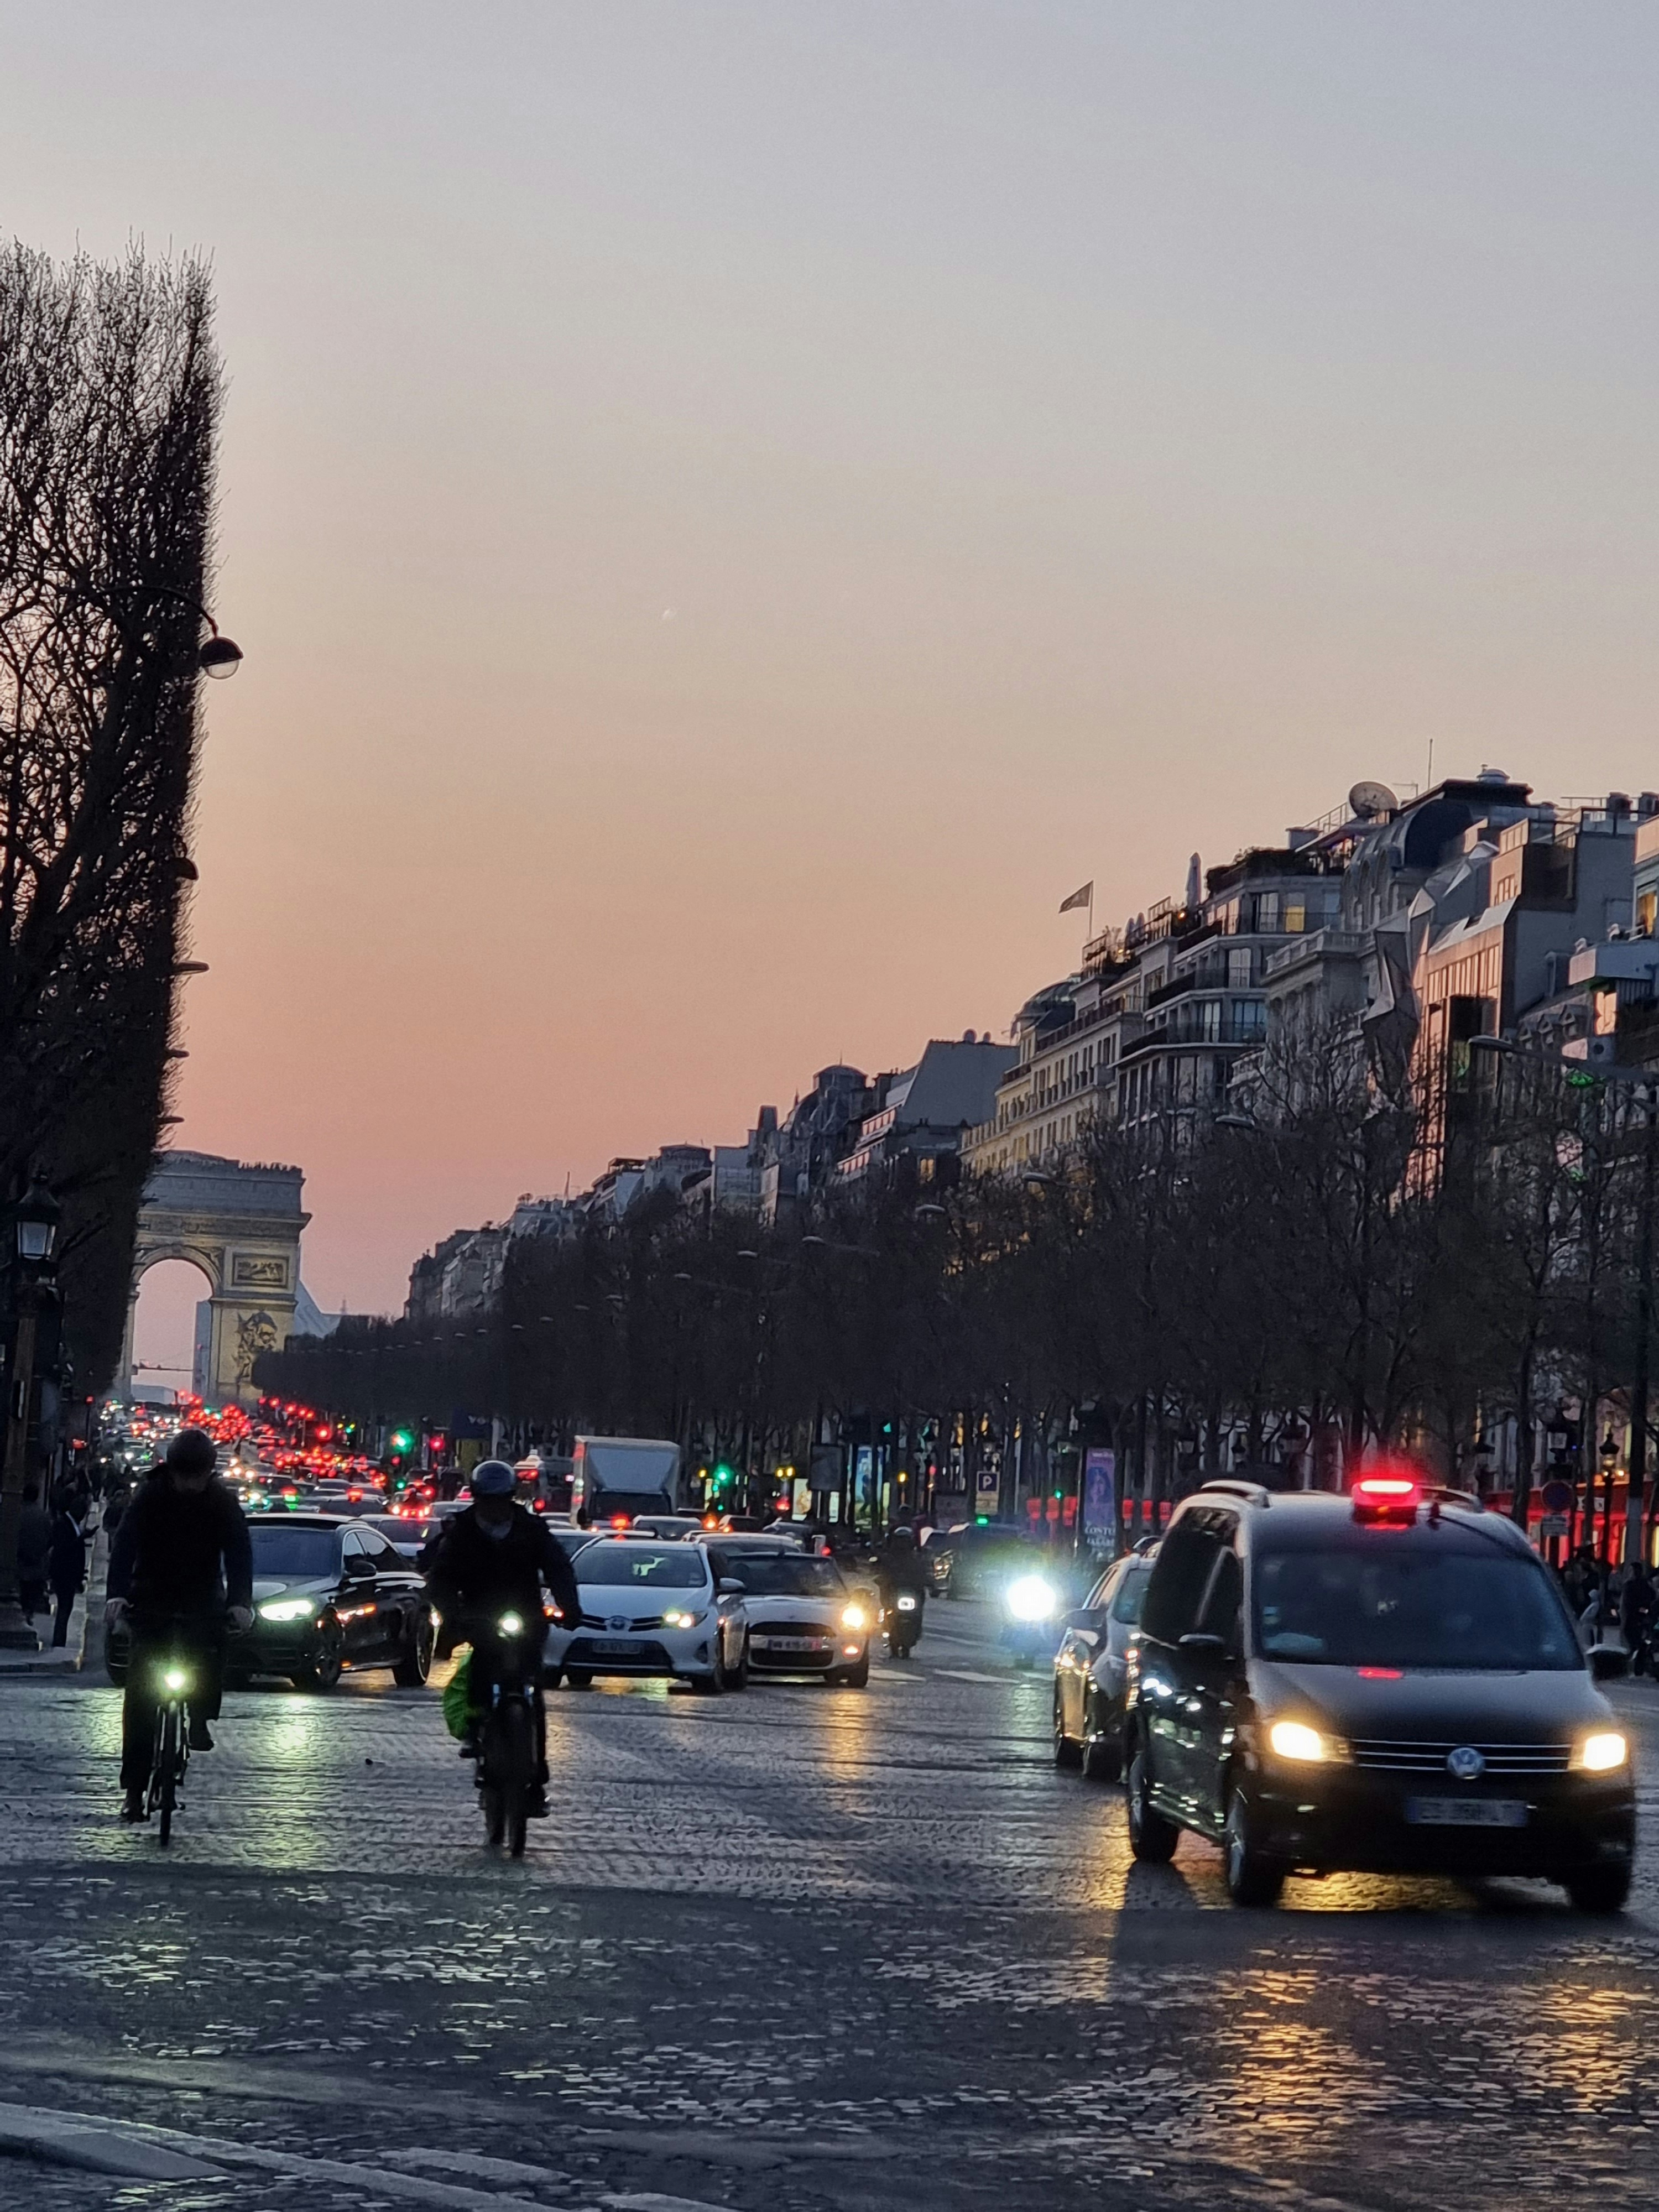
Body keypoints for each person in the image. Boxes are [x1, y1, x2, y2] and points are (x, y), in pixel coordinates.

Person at [106, 1428, 253, 1823]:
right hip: (152, 1596)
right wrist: (117, 1595)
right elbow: (125, 1546)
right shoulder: (149, 1497)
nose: (189, 1485)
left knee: (213, 1649)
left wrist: (240, 1603)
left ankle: (201, 1717)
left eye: (196, 1477)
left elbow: (239, 1552)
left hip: (201, 1598)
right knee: (139, 1699)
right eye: (183, 1477)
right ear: (170, 1472)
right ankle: (134, 1791)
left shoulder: (222, 1503)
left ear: (208, 1474)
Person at [421, 1459, 581, 1818]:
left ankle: (536, 1777)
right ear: (477, 1500)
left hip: (525, 1616)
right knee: (480, 1670)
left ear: (511, 1499)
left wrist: (569, 1607)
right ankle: (476, 1732)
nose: (494, 1509)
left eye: (501, 1501)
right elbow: (442, 1577)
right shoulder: (461, 1532)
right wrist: (452, 1615)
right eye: (487, 1502)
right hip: (480, 1616)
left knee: (532, 1692)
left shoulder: (531, 1529)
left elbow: (558, 1567)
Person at [48, 1494, 87, 1650]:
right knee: (64, 1608)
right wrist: (81, 1538)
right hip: (64, 1574)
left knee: (66, 1609)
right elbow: (63, 1548)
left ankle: (60, 1640)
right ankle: (59, 1642)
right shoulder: (63, 1524)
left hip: (69, 1575)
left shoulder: (71, 1523)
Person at [17, 1484, 50, 1626]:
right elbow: (49, 1538)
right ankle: (28, 1614)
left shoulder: (15, 1512)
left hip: (18, 1560)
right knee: (31, 1592)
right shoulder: (42, 1515)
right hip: (36, 1562)